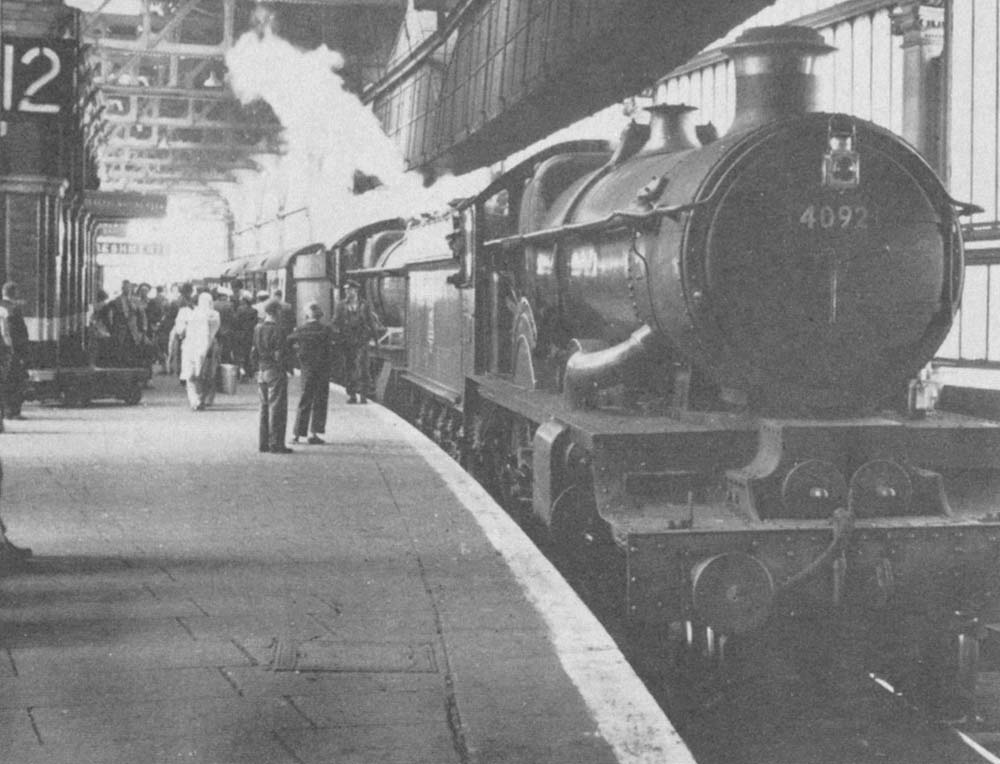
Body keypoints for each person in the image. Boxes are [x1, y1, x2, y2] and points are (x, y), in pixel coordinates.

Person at [287, 302, 336, 445]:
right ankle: (314, 433)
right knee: (320, 400)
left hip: (307, 369)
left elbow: (288, 341)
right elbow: (333, 348)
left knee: (305, 399)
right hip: (323, 369)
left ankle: (297, 434)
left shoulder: (301, 330)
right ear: (319, 315)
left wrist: (298, 353)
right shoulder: (326, 330)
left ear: (307, 315)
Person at [252, 299, 293, 453]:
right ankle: (276, 444)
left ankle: (264, 443)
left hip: (261, 370)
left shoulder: (258, 328)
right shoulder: (279, 329)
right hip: (275, 371)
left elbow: (253, 351)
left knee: (264, 407)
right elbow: (280, 354)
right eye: (281, 311)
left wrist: (256, 368)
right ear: (276, 312)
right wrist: (286, 368)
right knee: (277, 407)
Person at [332, 279, 381, 404]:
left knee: (363, 368)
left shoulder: (364, 305)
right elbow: (335, 321)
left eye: (350, 290)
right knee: (349, 369)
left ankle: (364, 395)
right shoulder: (341, 305)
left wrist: (376, 340)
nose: (347, 293)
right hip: (347, 342)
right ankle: (352, 394)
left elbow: (370, 322)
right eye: (346, 290)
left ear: (356, 291)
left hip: (361, 341)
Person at [172, 291, 220, 411]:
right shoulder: (215, 315)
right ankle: (203, 398)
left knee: (191, 375)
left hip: (191, 347)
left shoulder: (192, 315)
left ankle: (195, 401)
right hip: (210, 348)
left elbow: (180, 331)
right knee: (208, 375)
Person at [0, 281, 30, 425]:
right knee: (16, 380)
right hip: (13, 350)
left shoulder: (2, 306)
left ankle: (6, 411)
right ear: (15, 293)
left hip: (4, 351)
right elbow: (15, 332)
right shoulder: (13, 309)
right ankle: (13, 411)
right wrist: (21, 352)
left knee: (5, 381)